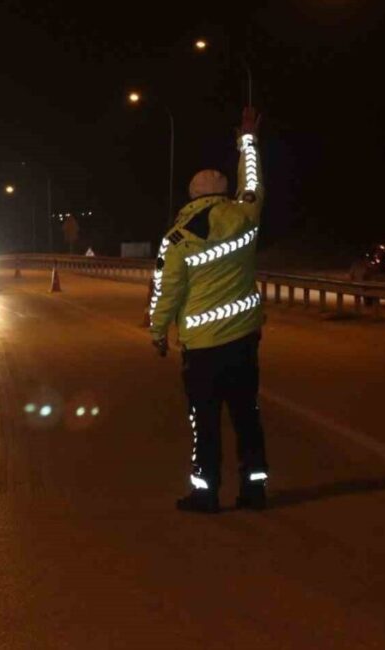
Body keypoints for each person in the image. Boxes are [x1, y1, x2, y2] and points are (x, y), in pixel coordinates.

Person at [148, 107, 268, 513]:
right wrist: (247, 140)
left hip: (201, 347)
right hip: (244, 340)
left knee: (205, 422)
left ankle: (206, 492)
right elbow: (252, 181)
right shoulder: (245, 215)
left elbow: (167, 291)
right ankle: (254, 490)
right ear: (223, 192)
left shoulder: (178, 237)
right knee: (247, 415)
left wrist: (157, 331)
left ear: (193, 196)